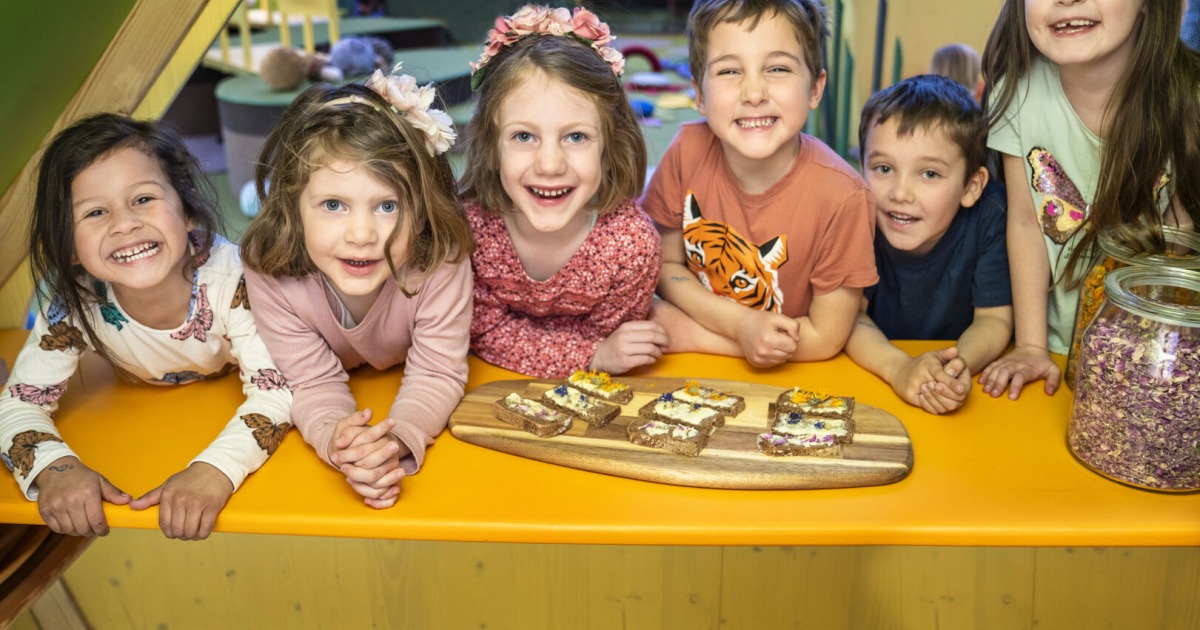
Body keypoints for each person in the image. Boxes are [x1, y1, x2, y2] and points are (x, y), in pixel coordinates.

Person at [0, 113, 292, 540]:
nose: (124, 224)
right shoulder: (75, 300)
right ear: (70, 246)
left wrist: (214, 471)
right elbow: (17, 404)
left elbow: (278, 390)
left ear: (188, 211)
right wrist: (55, 468)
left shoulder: (236, 280)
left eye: (142, 199)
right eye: (95, 212)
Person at [241, 65, 474, 509]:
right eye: (334, 204)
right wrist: (340, 440)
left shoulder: (441, 260)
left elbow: (436, 372)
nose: (362, 234)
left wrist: (392, 444)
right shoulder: (269, 271)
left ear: (423, 212)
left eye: (388, 206)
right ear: (292, 206)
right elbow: (311, 383)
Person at [980, 0, 1200, 399]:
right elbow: (1026, 223)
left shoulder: (1189, 99)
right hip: (1057, 352)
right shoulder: (1018, 94)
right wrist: (1030, 346)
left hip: (1163, 364)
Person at [642, 0, 877, 368]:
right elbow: (665, 264)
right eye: (729, 71)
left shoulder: (844, 197)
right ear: (699, 95)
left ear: (815, 89)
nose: (754, 93)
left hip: (798, 378)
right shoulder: (686, 151)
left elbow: (826, 337)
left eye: (778, 68)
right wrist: (741, 325)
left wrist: (700, 336)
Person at [459, 4, 667, 378]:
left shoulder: (631, 246)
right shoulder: (468, 232)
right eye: (524, 136)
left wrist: (602, 351)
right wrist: (591, 355)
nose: (550, 164)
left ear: (610, 148)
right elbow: (483, 329)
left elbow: (613, 339)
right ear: (491, 147)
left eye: (576, 137)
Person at [845, 75, 1012, 414]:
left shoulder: (992, 215)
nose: (900, 193)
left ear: (971, 186)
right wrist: (899, 369)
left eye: (929, 174)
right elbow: (849, 319)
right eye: (883, 168)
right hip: (874, 383)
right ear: (861, 167)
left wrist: (953, 370)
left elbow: (994, 319)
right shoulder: (854, 212)